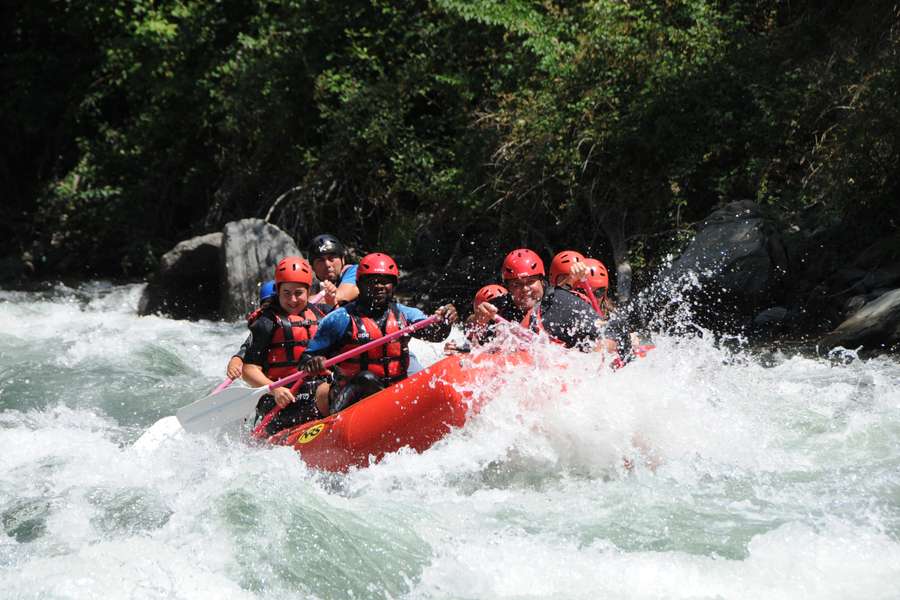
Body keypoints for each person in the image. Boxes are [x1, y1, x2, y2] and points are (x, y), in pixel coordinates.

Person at [300, 252, 458, 415]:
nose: (379, 286)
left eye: (385, 282)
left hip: (394, 395)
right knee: (366, 379)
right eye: (371, 281)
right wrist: (314, 362)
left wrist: (445, 321)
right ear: (359, 284)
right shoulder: (340, 319)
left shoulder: (404, 315)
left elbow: (435, 335)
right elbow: (305, 359)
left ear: (394, 285)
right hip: (351, 401)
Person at [469, 248, 628, 354]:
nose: (525, 289)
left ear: (541, 280)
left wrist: (596, 354)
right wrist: (479, 323)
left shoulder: (563, 302)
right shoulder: (500, 307)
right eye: (516, 284)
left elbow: (612, 330)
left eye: (530, 282)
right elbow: (472, 343)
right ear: (508, 287)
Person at [240, 257, 332, 435]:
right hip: (282, 399)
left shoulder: (323, 314)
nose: (292, 299)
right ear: (278, 291)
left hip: (317, 391)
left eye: (299, 293)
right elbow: (248, 370)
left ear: (309, 290)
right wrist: (275, 390)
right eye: (286, 293)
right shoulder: (266, 322)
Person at [225, 280, 277, 380]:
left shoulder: (302, 321)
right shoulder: (264, 327)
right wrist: (236, 359)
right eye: (268, 306)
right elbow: (247, 347)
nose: (272, 312)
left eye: (275, 306)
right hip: (269, 382)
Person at [307, 234, 359, 307]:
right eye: (320, 260)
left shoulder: (355, 272)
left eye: (331, 258)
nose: (327, 264)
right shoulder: (313, 286)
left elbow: (339, 296)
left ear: (342, 260)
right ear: (313, 267)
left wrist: (302, 303)